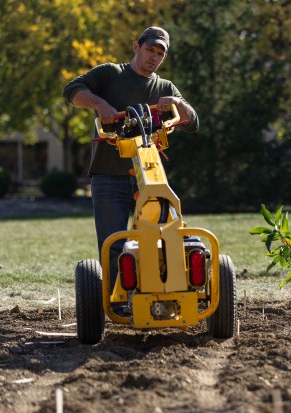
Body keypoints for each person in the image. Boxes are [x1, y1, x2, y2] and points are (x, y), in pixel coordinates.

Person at [63, 26, 199, 289]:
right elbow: (72, 90)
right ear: (137, 46)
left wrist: (178, 103)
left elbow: (192, 122)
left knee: (164, 237)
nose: (154, 57)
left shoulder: (164, 87)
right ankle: (120, 302)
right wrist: (100, 105)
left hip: (149, 178)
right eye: (150, 50)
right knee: (113, 245)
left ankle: (164, 291)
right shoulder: (110, 74)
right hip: (108, 176)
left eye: (161, 53)